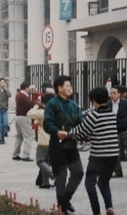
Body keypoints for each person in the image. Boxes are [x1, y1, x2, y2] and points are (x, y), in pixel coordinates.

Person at [59, 87, 119, 215]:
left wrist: (67, 134)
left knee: (90, 183)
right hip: (113, 155)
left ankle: (96, 212)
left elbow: (81, 131)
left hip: (98, 155)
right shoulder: (112, 114)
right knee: (104, 182)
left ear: (93, 101)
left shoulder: (94, 115)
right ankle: (109, 207)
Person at [43, 75, 84, 214]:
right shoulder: (52, 104)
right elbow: (47, 123)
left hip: (71, 145)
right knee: (61, 177)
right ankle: (62, 207)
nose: (70, 88)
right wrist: (56, 132)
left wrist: (86, 132)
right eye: (67, 86)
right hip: (57, 145)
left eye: (70, 86)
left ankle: (65, 200)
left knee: (78, 172)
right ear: (59, 88)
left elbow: (81, 122)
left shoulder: (73, 105)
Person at [27, 93, 55, 189]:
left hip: (43, 141)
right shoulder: (55, 111)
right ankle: (45, 182)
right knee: (46, 161)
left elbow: (29, 114)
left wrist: (35, 107)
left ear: (43, 103)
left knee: (40, 161)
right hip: (53, 140)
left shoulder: (42, 112)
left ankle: (53, 175)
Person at [12, 82, 37, 162]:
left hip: (18, 117)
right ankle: (25, 155)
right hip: (24, 117)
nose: (29, 90)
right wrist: (38, 102)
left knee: (19, 136)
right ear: (26, 88)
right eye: (29, 88)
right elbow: (30, 103)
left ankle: (15, 154)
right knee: (28, 136)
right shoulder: (23, 96)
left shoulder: (19, 95)